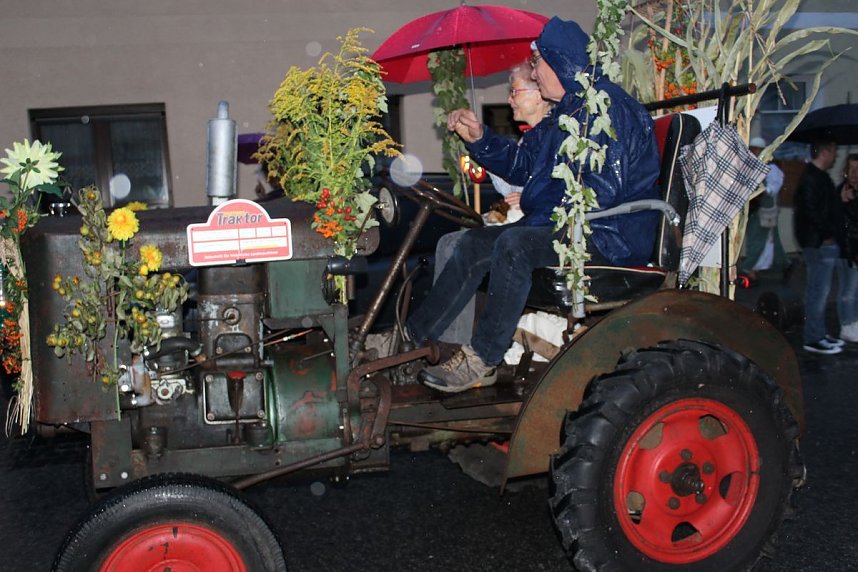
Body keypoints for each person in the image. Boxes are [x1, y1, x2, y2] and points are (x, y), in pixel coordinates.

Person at [405, 17, 660, 393]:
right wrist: (480, 139)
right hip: (565, 226)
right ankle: (413, 339)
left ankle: (483, 358)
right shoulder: (566, 115)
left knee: (515, 244)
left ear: (563, 64)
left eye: (539, 64)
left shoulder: (609, 111)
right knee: (474, 242)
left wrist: (532, 201)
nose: (535, 73)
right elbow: (525, 165)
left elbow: (602, 193)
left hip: (607, 234)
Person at [432, 63, 554, 346]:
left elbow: (536, 192)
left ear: (538, 95)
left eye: (515, 91)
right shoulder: (528, 139)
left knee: (455, 245)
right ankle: (442, 334)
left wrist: (524, 202)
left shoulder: (552, 136)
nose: (509, 99)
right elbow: (510, 187)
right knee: (451, 241)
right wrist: (477, 146)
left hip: (535, 231)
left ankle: (452, 341)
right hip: (516, 221)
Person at [794, 138, 850, 354]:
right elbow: (811, 211)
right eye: (834, 152)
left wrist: (839, 199)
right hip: (818, 244)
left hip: (821, 242)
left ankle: (818, 334)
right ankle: (813, 337)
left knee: (820, 291)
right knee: (818, 291)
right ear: (825, 152)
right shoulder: (812, 177)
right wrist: (826, 235)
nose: (836, 156)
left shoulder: (818, 177)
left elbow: (823, 207)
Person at [739, 137, 788, 283]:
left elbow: (775, 185)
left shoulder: (770, 167)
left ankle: (749, 270)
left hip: (764, 209)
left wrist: (765, 190)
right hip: (753, 209)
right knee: (770, 239)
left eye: (756, 149)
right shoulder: (750, 166)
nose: (753, 152)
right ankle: (784, 264)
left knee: (758, 239)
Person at [838, 153, 858, 342]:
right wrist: (845, 202)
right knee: (848, 289)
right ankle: (847, 324)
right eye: (851, 169)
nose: (854, 174)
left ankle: (855, 322)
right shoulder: (841, 192)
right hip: (848, 250)